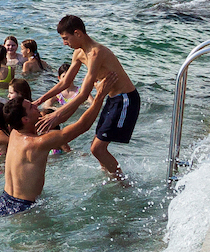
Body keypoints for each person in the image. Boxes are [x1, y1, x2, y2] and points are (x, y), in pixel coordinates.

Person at [0, 74, 113, 217]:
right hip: (25, 208)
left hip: (3, 202)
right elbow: (82, 126)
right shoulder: (38, 143)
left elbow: (58, 117)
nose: (35, 105)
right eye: (31, 106)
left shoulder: (15, 131)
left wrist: (84, 94)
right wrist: (100, 96)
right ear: (25, 119)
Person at [35, 15, 138, 178]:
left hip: (125, 99)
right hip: (112, 99)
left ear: (78, 33)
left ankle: (123, 183)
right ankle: (110, 179)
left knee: (97, 149)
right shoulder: (78, 53)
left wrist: (57, 114)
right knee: (97, 148)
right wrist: (40, 101)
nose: (64, 43)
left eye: (65, 38)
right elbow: (65, 82)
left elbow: (83, 94)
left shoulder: (96, 53)